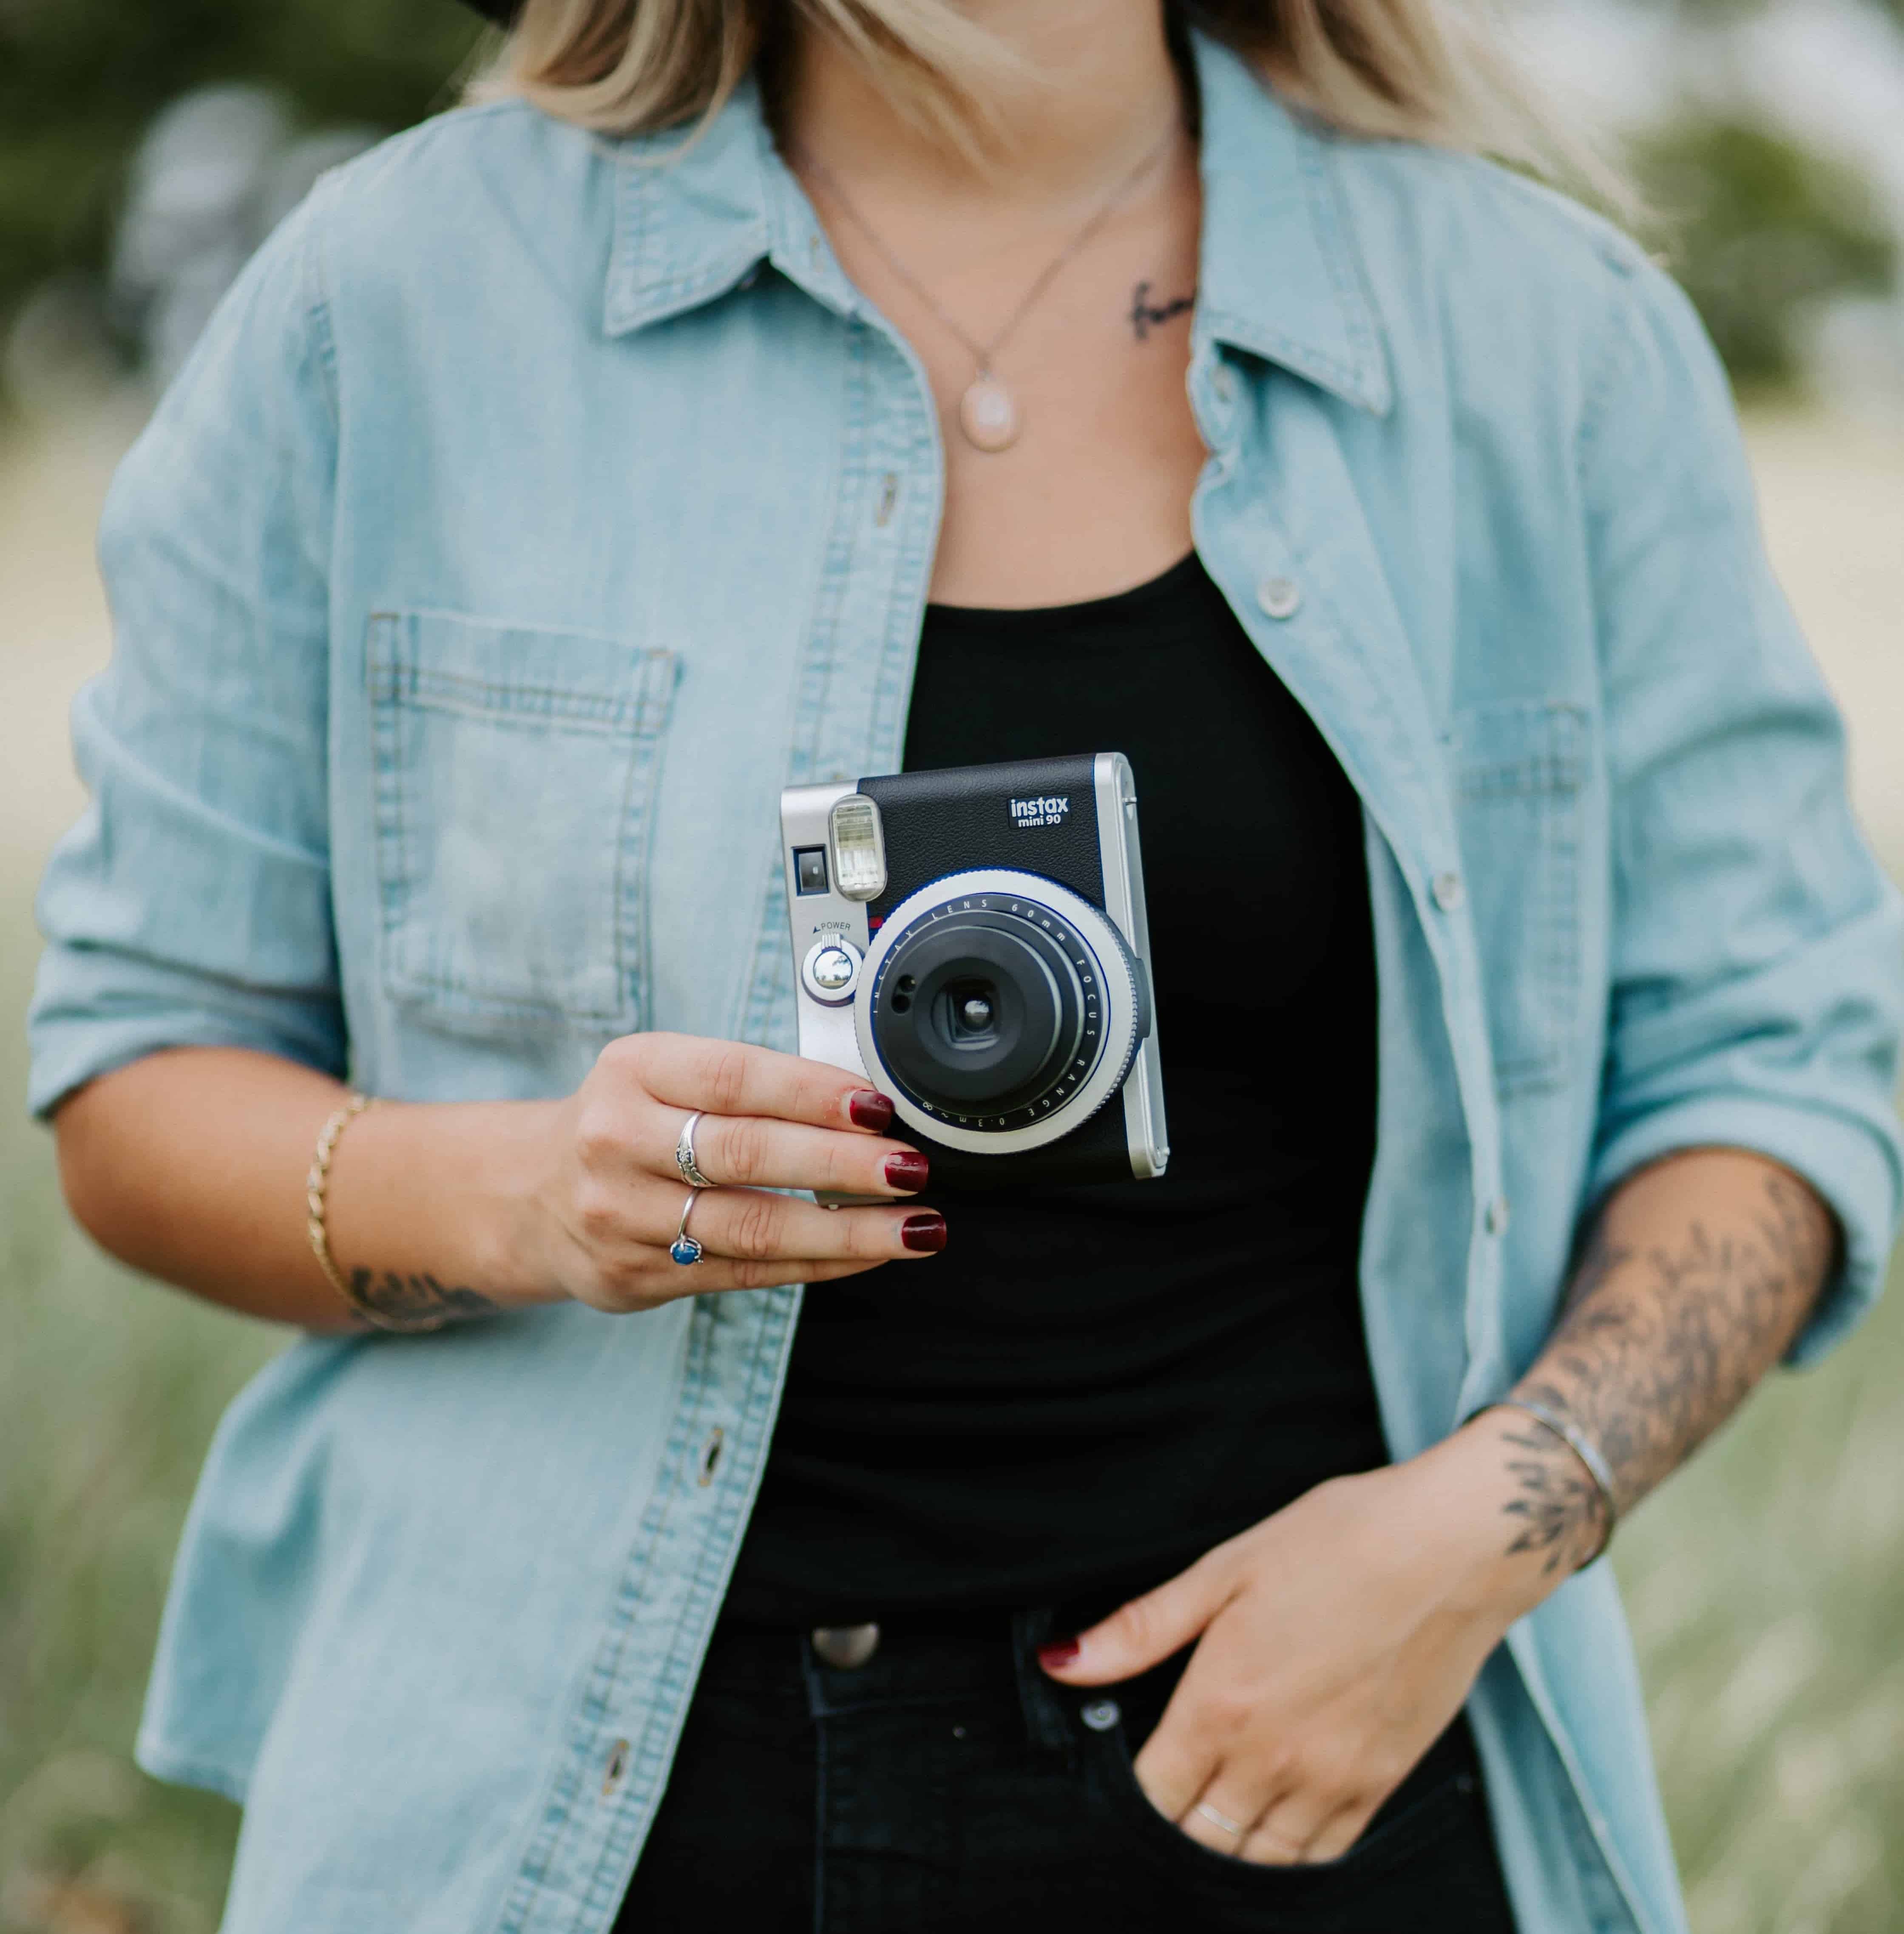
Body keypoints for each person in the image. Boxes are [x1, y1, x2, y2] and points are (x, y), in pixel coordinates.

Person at [28, 0, 1903, 1925]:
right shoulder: (396, 306)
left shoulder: (1541, 338)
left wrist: (1491, 1522)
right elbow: (137, 1077)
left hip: (1325, 1763)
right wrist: (517, 1197)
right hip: (588, 1817)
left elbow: (1771, 1067)